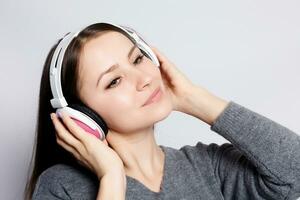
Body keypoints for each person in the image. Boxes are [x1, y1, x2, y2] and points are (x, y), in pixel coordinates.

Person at [24, 23, 300, 200]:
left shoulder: (207, 166)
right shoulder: (62, 187)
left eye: (138, 59)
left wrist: (195, 98)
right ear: (81, 117)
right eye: (114, 81)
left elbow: (294, 172)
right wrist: (112, 178)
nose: (144, 78)